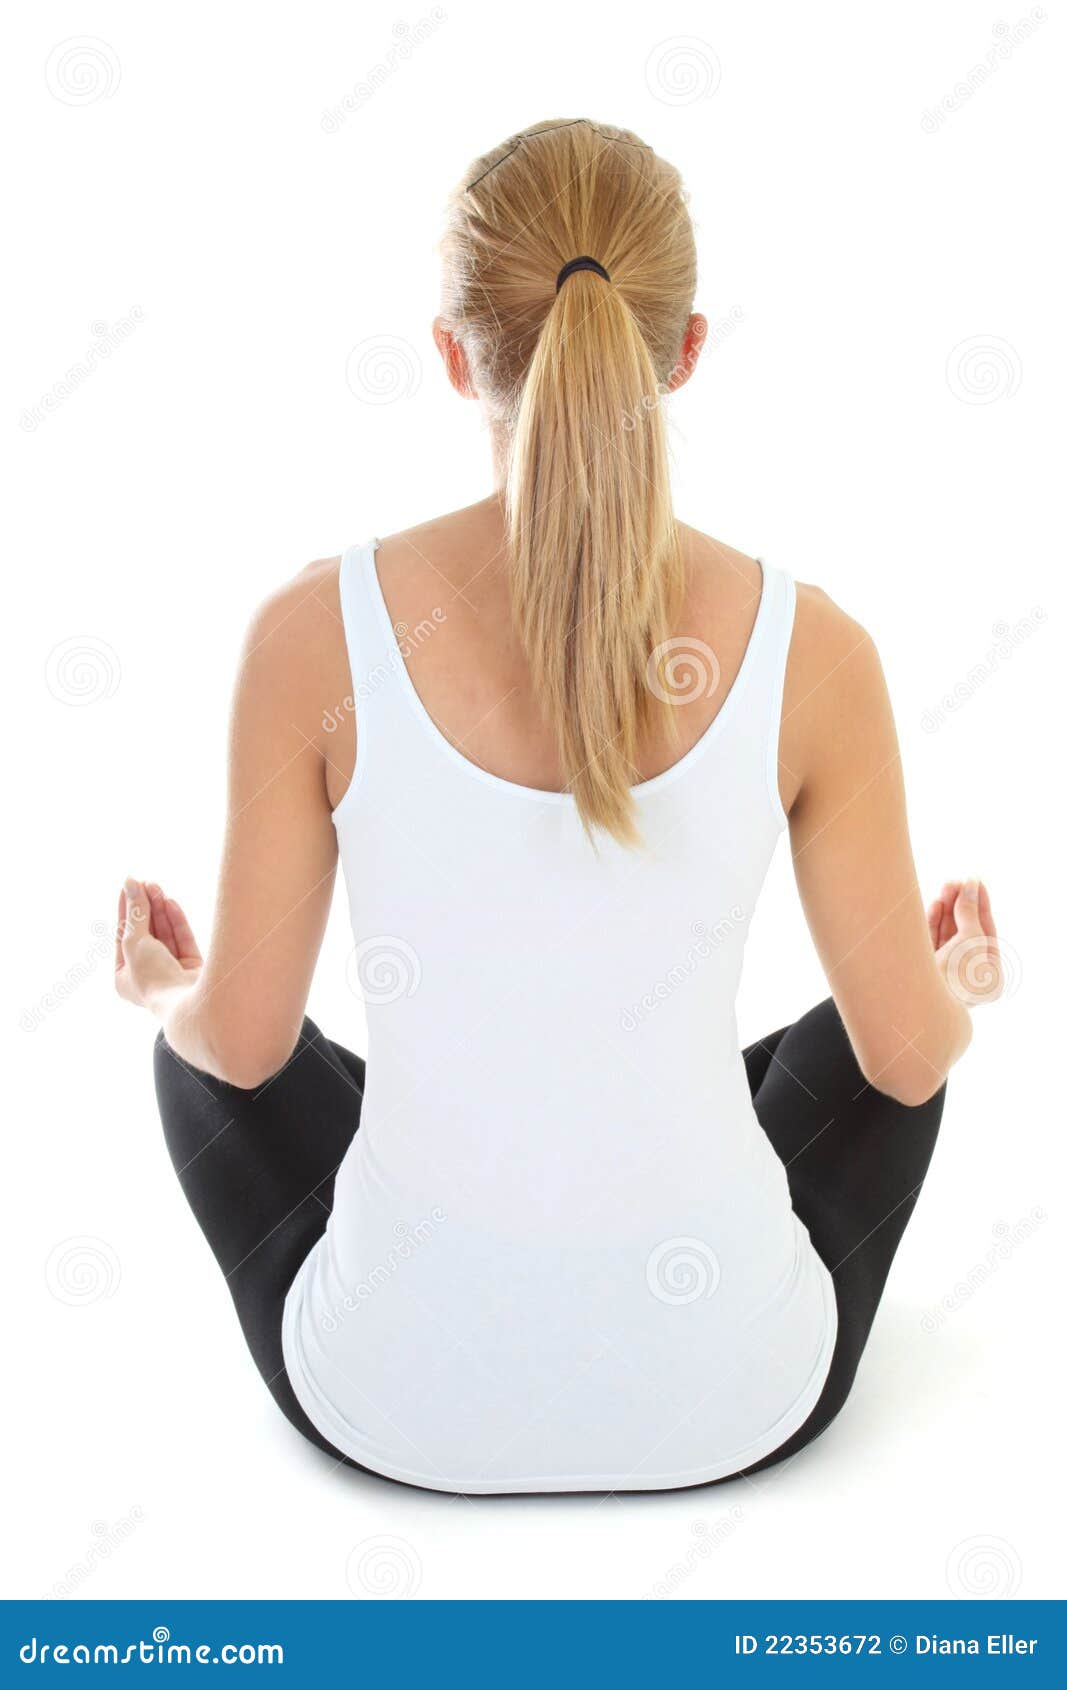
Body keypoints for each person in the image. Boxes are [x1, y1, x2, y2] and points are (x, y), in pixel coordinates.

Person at [115, 119, 1002, 1494]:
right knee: (880, 1040)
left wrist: (170, 989)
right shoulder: (816, 652)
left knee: (202, 1056)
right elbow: (900, 1061)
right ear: (688, 348)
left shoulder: (309, 635)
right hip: (737, 1394)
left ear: (455, 352)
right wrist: (958, 982)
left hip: (392, 1400)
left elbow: (241, 1045)